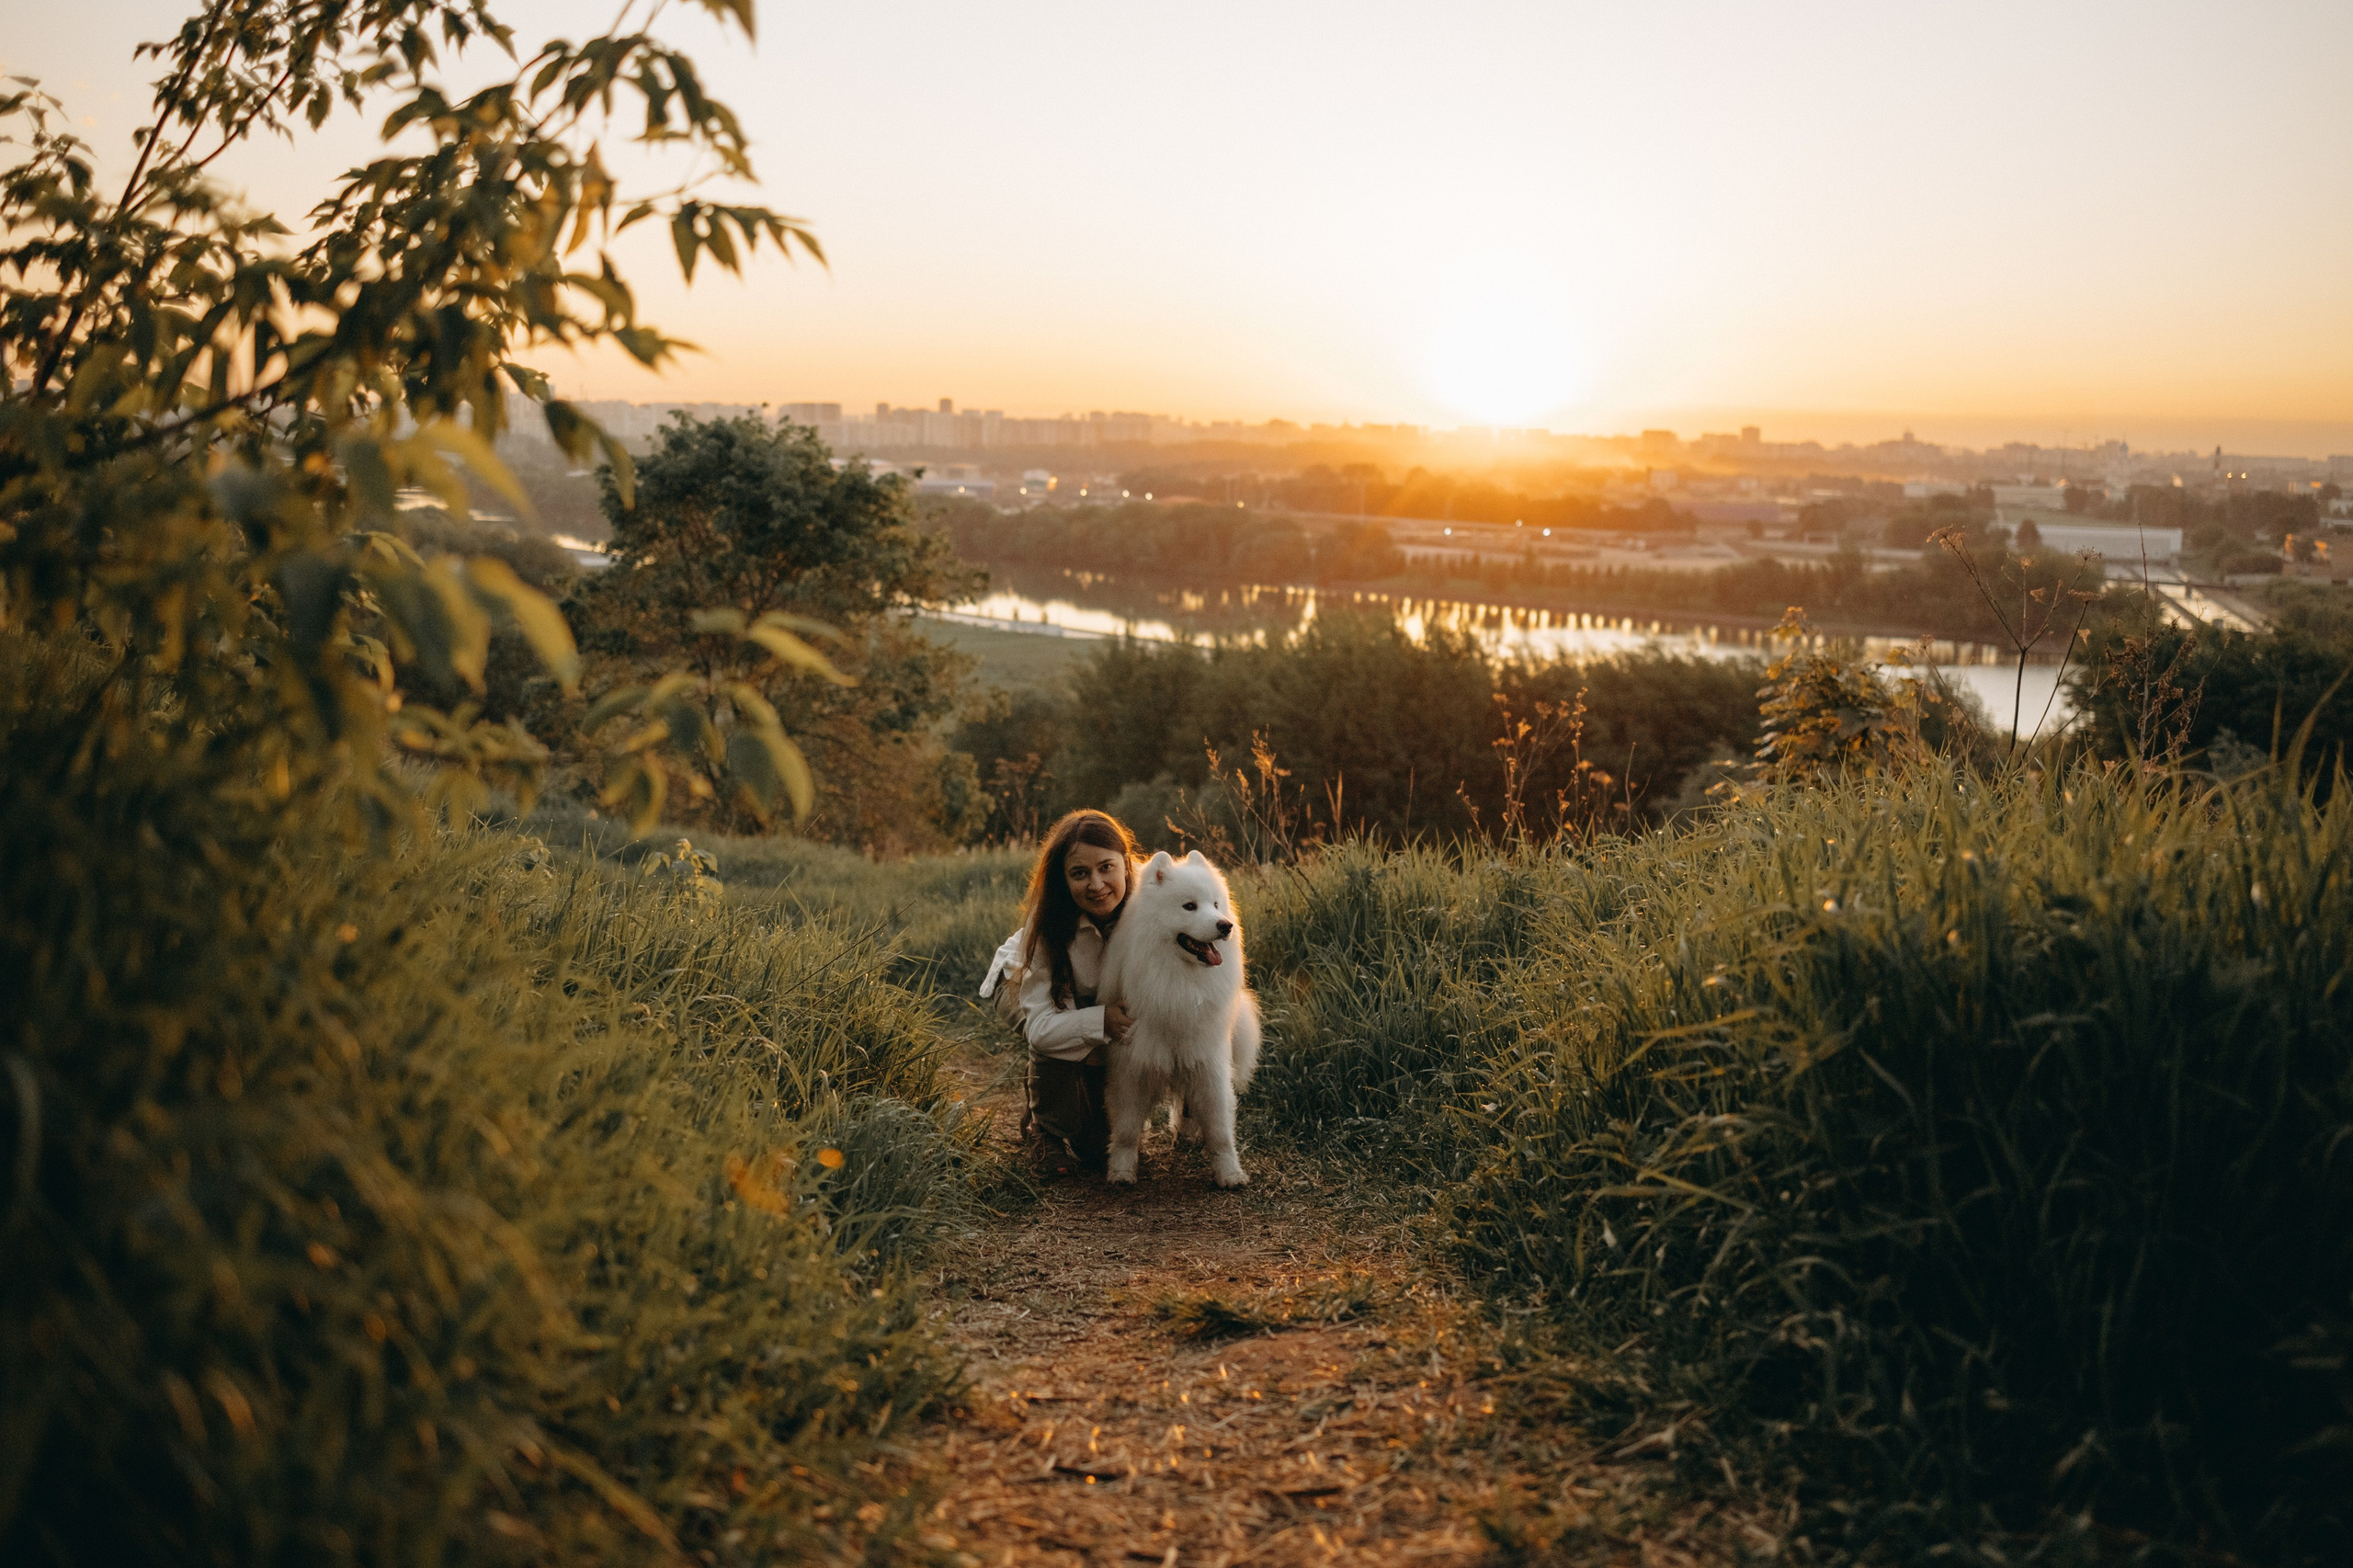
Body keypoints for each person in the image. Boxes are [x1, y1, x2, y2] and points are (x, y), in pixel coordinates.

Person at [978, 809, 1143, 1171]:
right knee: (1056, 1038)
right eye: (1079, 874)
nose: (1096, 884)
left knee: (1098, 1150)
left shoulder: (1148, 905)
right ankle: (1045, 1128)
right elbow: (1043, 1028)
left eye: (1106, 867)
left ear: (1126, 863)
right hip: (1019, 982)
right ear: (1063, 880)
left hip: (1087, 999)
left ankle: (1059, 1096)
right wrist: (1100, 1023)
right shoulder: (1051, 925)